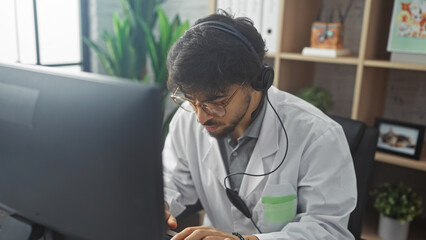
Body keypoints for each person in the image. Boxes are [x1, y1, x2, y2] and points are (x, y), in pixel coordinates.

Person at [162, 11, 357, 240]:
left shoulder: (318, 135)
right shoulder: (187, 120)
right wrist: (160, 203)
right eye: (191, 101)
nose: (200, 118)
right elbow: (171, 180)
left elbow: (329, 230)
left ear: (258, 81)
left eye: (216, 103)